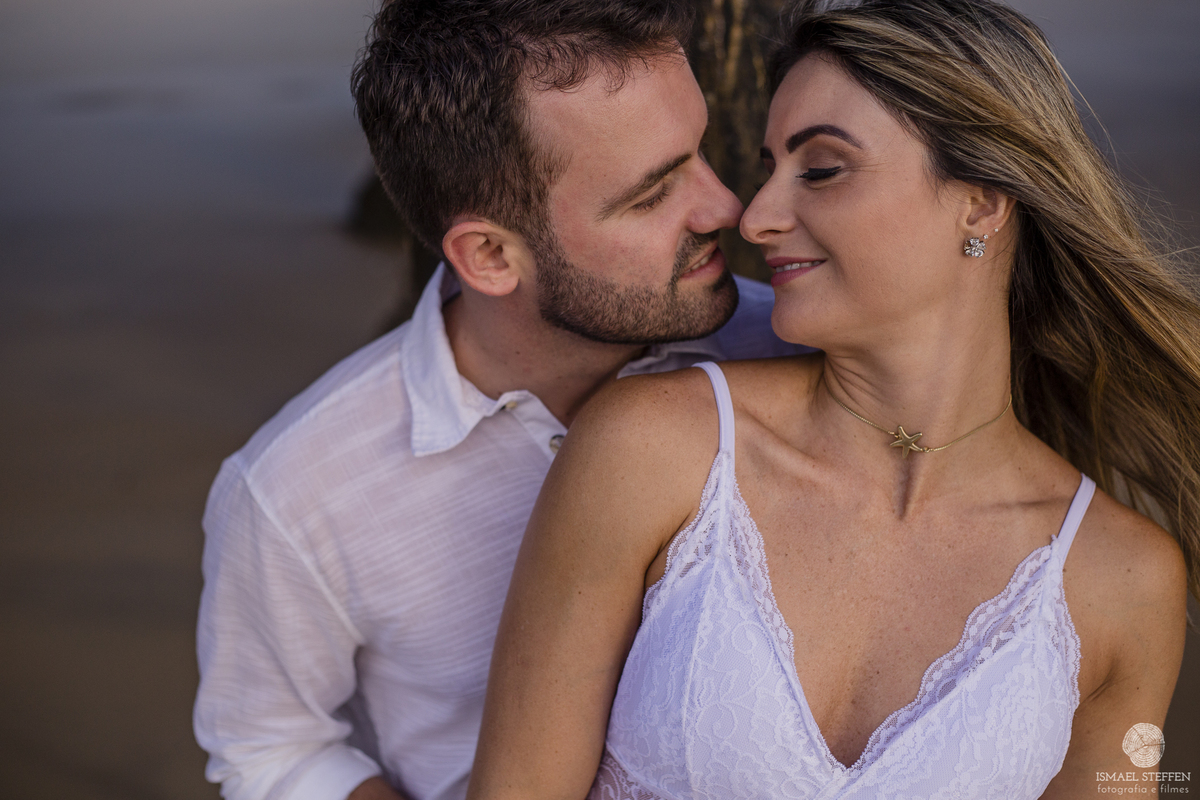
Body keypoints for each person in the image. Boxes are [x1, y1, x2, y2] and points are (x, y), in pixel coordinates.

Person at [468, 0, 1200, 797]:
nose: (757, 217)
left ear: (982, 201)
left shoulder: (1124, 581)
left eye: (820, 169)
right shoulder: (654, 449)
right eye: (769, 169)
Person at [191, 1, 808, 799]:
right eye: (651, 195)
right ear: (488, 255)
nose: (726, 207)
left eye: (699, 151)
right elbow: (270, 746)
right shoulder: (296, 490)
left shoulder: (790, 356)